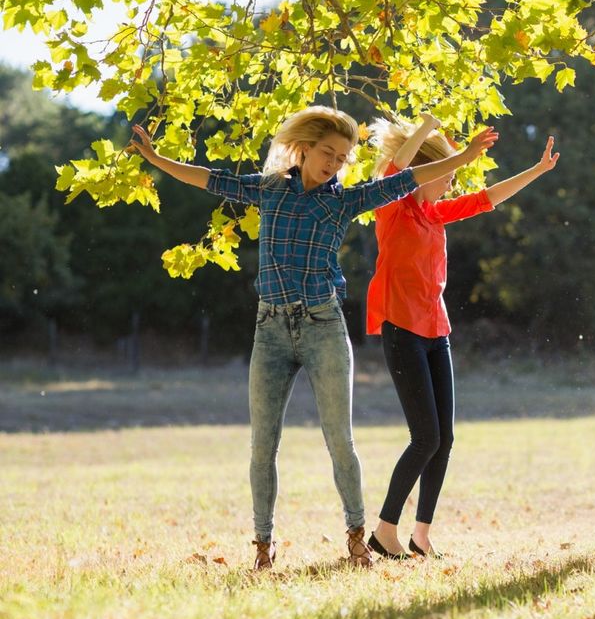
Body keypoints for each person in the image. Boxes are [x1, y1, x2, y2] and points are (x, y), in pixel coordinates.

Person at [128, 106, 497, 570]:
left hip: (324, 327)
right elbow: (208, 178)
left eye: (343, 158)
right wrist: (156, 158)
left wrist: (462, 156)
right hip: (271, 331)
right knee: (263, 444)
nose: (334, 164)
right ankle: (263, 544)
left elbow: (409, 176)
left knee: (340, 440)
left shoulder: (343, 200)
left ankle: (359, 538)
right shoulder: (268, 190)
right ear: (303, 149)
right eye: (328, 153)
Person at [364, 113, 559, 559]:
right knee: (425, 438)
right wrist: (429, 128)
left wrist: (537, 170)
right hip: (402, 328)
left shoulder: (434, 214)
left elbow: (487, 198)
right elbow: (398, 170)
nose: (451, 185)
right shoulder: (393, 207)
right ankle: (384, 529)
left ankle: (422, 534)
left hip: (437, 330)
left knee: (444, 438)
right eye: (447, 176)